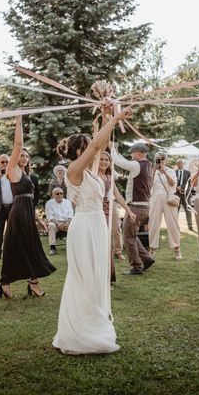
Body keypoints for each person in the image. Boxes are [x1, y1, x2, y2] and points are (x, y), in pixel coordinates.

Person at [52, 107, 132, 355]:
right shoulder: (74, 170)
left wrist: (108, 116)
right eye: (89, 148)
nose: (96, 152)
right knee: (83, 276)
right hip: (84, 226)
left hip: (98, 225)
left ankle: (96, 322)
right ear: (80, 151)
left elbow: (101, 142)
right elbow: (98, 144)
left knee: (98, 276)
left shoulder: (92, 173)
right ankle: (79, 332)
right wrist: (116, 119)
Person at [0, 115, 55, 299]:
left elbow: (30, 199)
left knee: (21, 248)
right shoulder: (12, 170)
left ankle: (10, 282)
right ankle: (32, 283)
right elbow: (18, 144)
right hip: (18, 212)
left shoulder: (28, 176)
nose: (24, 156)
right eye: (21, 155)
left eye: (26, 155)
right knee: (25, 248)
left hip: (27, 212)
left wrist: (38, 219)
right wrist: (18, 120)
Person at [112, 142, 156, 275]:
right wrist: (115, 149)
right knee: (132, 235)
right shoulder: (148, 165)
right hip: (145, 207)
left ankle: (136, 267)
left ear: (138, 153)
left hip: (136, 207)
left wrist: (113, 149)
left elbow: (118, 161)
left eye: (132, 153)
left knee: (128, 237)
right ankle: (146, 258)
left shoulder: (137, 165)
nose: (131, 155)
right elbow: (124, 161)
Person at [98, 151, 137, 283]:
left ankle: (110, 276)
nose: (104, 162)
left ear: (110, 162)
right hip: (96, 211)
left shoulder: (109, 177)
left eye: (106, 160)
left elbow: (118, 195)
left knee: (111, 236)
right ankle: (99, 276)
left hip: (108, 209)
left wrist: (129, 211)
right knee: (100, 243)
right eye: (101, 159)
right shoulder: (92, 175)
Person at [148, 152, 182, 260]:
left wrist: (165, 173)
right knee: (153, 224)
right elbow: (148, 185)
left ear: (166, 160)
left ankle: (177, 249)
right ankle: (152, 250)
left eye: (162, 159)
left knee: (173, 224)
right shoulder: (152, 171)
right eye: (158, 159)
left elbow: (173, 184)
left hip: (169, 198)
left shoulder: (171, 171)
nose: (160, 161)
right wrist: (153, 172)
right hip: (156, 198)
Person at [45, 188, 74, 255]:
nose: (60, 195)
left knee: (75, 225)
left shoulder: (67, 202)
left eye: (61, 193)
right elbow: (50, 217)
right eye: (57, 193)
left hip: (66, 222)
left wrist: (68, 223)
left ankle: (73, 247)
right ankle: (53, 248)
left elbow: (71, 214)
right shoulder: (49, 203)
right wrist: (58, 224)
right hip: (55, 223)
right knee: (51, 225)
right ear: (53, 195)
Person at [175, 159, 194, 231]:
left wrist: (182, 187)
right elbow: (172, 182)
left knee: (188, 210)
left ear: (183, 164)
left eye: (181, 163)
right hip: (176, 195)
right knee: (176, 211)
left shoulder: (188, 172)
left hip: (186, 195)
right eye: (178, 163)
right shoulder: (174, 172)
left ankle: (190, 226)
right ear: (177, 164)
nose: (180, 164)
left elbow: (189, 183)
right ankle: (175, 225)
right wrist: (177, 188)